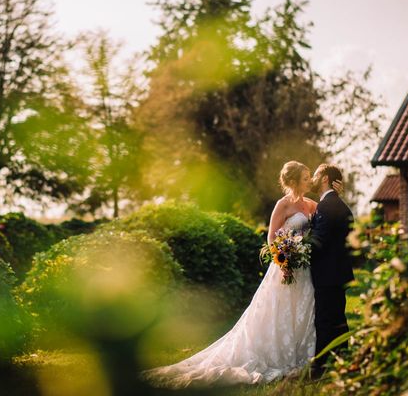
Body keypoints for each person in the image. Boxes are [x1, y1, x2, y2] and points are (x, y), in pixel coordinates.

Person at [140, 161, 345, 389]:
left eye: (311, 177)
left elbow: (326, 225)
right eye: (306, 178)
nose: (310, 181)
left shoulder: (313, 205)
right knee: (277, 313)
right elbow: (271, 238)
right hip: (285, 268)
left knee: (304, 312)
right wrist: (283, 259)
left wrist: (336, 195)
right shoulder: (283, 205)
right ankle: (273, 356)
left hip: (306, 271)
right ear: (295, 181)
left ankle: (302, 359)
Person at [308, 163, 355, 379]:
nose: (313, 179)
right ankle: (346, 362)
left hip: (327, 275)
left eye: (316, 174)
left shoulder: (326, 207)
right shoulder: (340, 205)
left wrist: (297, 250)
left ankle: (319, 369)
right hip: (339, 274)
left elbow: (319, 242)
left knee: (325, 321)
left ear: (325, 178)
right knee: (338, 320)